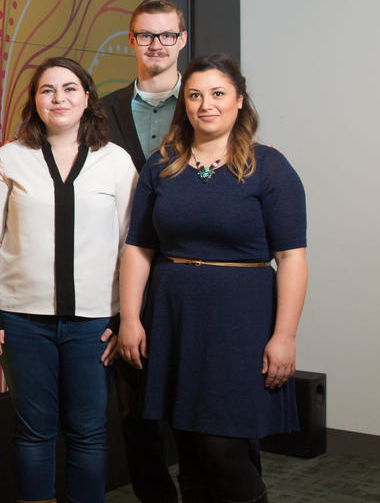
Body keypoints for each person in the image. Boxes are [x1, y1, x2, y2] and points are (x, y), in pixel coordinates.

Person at [116, 54, 308, 503]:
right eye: (195, 95)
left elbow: (292, 259)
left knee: (221, 448)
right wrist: (130, 318)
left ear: (239, 101)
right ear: (184, 103)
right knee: (188, 449)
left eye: (218, 94)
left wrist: (285, 335)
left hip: (240, 322)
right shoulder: (161, 164)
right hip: (173, 317)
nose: (206, 104)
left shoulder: (271, 167)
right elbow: (139, 248)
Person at [0, 57, 137, 503]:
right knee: (33, 431)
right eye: (47, 90)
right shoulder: (10, 158)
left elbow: (131, 247)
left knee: (88, 432)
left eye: (69, 89)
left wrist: (126, 317)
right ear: (35, 101)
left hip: (94, 325)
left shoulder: (116, 162)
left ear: (87, 98)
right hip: (22, 321)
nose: (58, 98)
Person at [98, 0, 188, 503]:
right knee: (136, 412)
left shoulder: (205, 102)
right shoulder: (102, 110)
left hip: (187, 271)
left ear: (182, 39)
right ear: (131, 41)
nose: (157, 45)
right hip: (122, 275)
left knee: (204, 404)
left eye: (167, 35)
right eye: (146, 35)